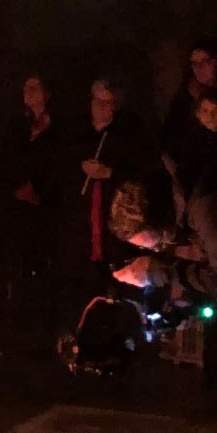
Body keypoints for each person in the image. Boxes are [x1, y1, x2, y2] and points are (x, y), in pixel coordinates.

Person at [56, 75, 156, 337]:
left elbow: (143, 172)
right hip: (81, 224)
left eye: (107, 102)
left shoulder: (129, 135)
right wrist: (80, 167)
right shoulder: (77, 133)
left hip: (115, 225)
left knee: (118, 284)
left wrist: (110, 173)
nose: (100, 107)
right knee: (81, 284)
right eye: (96, 101)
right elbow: (59, 168)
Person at [0, 74, 59, 318]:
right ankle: (19, 309)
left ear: (47, 93)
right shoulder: (16, 125)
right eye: (26, 88)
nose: (28, 92)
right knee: (17, 256)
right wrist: (16, 187)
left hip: (44, 203)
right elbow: (6, 159)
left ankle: (43, 309)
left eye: (34, 87)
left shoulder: (58, 126)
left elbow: (57, 163)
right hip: (17, 202)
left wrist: (38, 190)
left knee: (41, 257)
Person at [162, 38, 217, 199]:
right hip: (184, 169)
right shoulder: (185, 95)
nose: (199, 68)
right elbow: (169, 131)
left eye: (204, 62)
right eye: (194, 63)